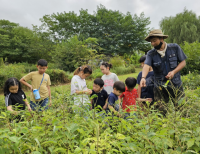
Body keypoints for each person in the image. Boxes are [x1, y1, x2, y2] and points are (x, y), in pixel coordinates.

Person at [140, 29, 187, 114]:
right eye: (151, 42)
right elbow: (146, 65)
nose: (152, 44)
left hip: (176, 85)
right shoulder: (151, 53)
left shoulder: (174, 48)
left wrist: (173, 72)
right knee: (161, 112)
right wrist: (143, 77)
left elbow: (183, 62)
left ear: (161, 39)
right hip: (159, 87)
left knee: (182, 110)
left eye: (154, 41)